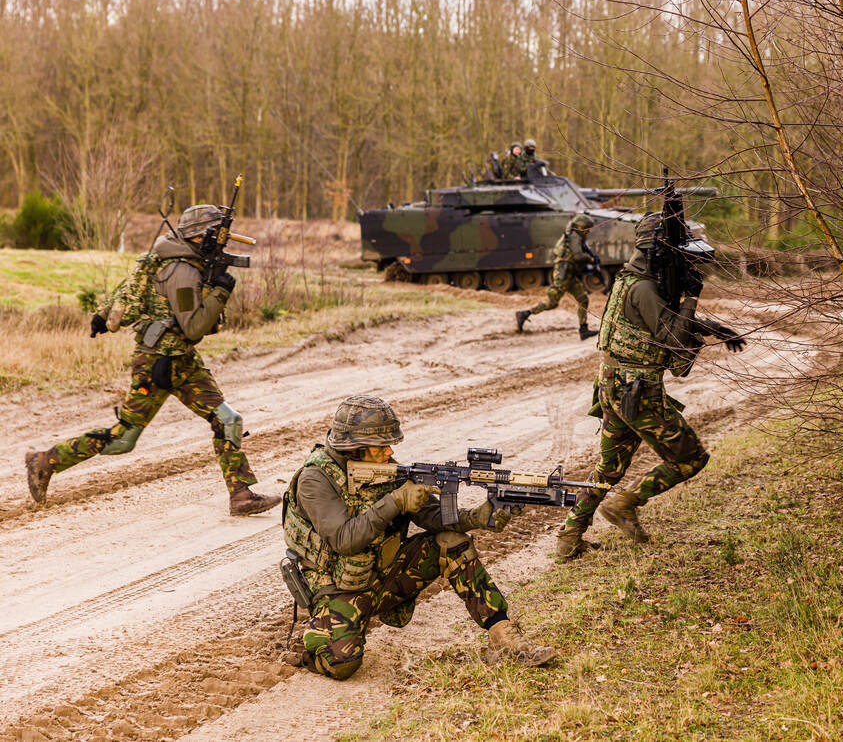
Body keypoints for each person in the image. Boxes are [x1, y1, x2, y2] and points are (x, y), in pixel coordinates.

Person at [23, 205, 279, 517]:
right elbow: (194, 326)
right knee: (123, 439)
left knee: (228, 420)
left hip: (182, 361)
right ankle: (45, 460)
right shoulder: (181, 271)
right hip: (155, 365)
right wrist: (221, 292)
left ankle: (241, 496)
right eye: (218, 233)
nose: (223, 241)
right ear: (202, 236)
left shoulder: (188, 262)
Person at [281, 395, 557, 679]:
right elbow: (343, 540)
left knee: (451, 542)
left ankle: (504, 637)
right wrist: (395, 503)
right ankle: (312, 648)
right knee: (342, 665)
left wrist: (475, 517)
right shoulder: (315, 479)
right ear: (355, 447)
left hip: (382, 577)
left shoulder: (384, 469)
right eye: (381, 445)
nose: (389, 451)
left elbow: (432, 517)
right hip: (338, 588)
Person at [554, 213, 743, 561]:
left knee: (608, 468)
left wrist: (711, 327)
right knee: (690, 458)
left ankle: (569, 537)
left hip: (615, 387)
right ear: (659, 249)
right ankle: (626, 504)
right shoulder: (643, 287)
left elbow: (660, 322)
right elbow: (671, 335)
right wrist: (691, 299)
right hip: (637, 391)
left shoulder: (632, 279)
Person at [515, 213, 598, 340]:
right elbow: (578, 256)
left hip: (569, 275)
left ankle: (583, 329)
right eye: (587, 228)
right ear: (581, 227)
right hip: (564, 274)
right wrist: (590, 259)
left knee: (583, 299)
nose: (588, 231)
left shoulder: (572, 235)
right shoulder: (575, 237)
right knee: (552, 302)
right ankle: (525, 313)